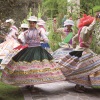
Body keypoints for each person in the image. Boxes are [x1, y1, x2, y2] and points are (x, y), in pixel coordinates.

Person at [1, 16, 65, 88]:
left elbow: (46, 40)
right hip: (29, 49)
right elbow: (24, 43)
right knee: (26, 67)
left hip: (38, 49)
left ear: (35, 24)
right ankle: (29, 83)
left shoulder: (39, 31)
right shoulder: (25, 32)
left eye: (33, 23)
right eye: (30, 23)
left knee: (36, 67)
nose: (31, 24)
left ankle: (32, 84)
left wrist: (42, 39)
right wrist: (19, 40)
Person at [59, 14, 100, 92]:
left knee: (84, 68)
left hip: (81, 49)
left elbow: (74, 38)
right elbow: (88, 31)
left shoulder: (81, 29)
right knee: (83, 68)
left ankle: (81, 84)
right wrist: (95, 20)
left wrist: (74, 47)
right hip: (83, 50)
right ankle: (79, 85)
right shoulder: (85, 29)